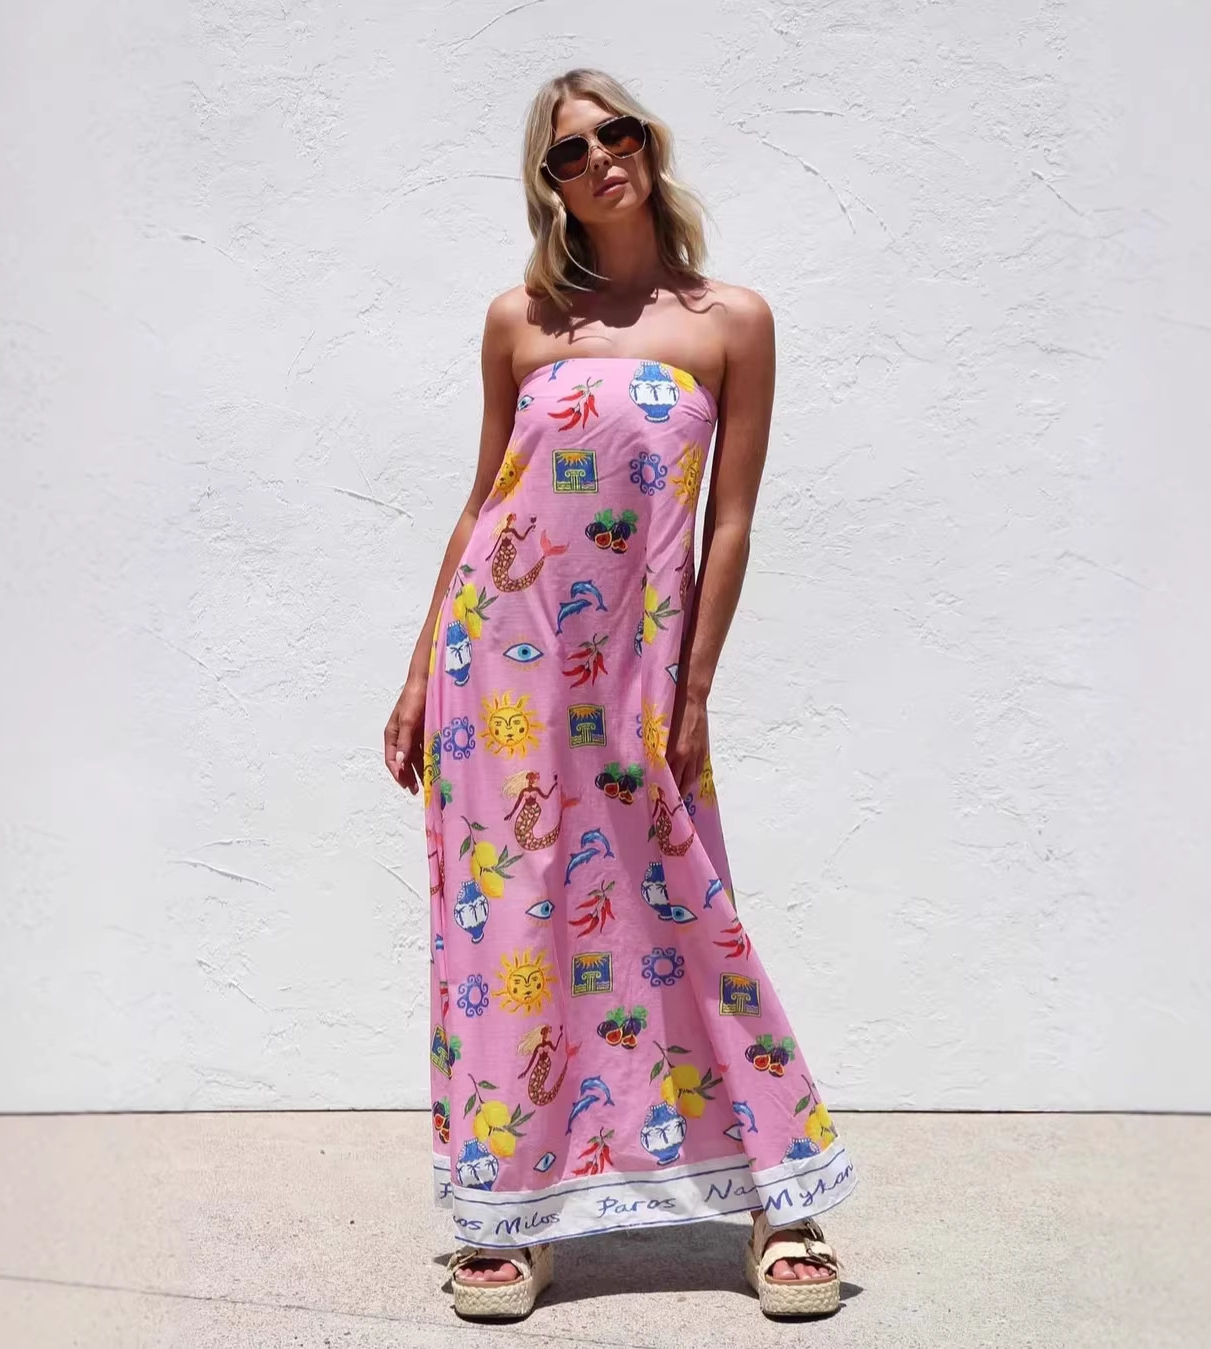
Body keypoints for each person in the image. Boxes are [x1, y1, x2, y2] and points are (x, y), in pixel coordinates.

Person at [384, 68, 856, 1321]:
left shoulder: (729, 320)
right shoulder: (522, 320)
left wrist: (693, 686)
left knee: (688, 905)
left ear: (648, 146)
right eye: (569, 150)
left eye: (617, 132)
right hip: (501, 668)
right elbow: (484, 503)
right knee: (512, 926)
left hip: (636, 670)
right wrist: (421, 668)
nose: (600, 156)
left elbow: (729, 521)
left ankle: (777, 1194)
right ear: (547, 186)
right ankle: (510, 1213)